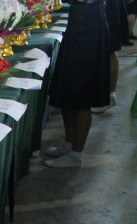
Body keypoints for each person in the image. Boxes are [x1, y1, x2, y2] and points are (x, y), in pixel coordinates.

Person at [44, 0, 110, 169]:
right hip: (78, 21)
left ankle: (76, 155)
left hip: (89, 26)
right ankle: (69, 143)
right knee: (67, 89)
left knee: (81, 95)